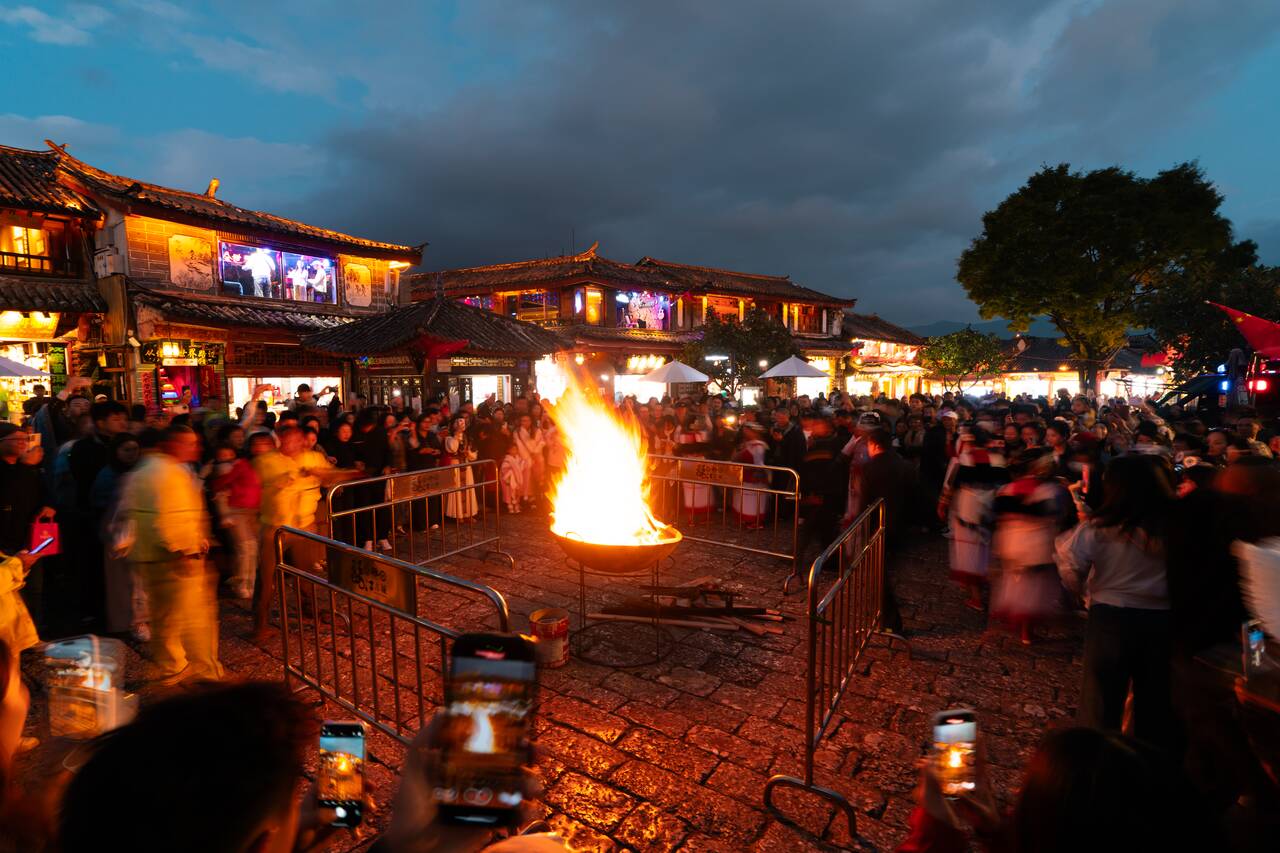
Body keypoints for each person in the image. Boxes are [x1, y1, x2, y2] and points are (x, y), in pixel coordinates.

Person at [1055, 455, 1176, 748]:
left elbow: (1070, 563)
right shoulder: (1179, 527)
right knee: (1154, 697)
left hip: (1112, 616)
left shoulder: (1100, 528)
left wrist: (1079, 593)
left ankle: (1097, 759)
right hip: (1164, 619)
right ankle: (1147, 756)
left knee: (1101, 697)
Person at [120, 424, 222, 684]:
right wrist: (185, 552)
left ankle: (172, 666)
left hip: (154, 556)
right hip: (174, 558)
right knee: (194, 619)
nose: (195, 448)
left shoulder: (147, 469)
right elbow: (167, 517)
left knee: (165, 617)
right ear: (173, 444)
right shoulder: (165, 473)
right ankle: (205, 670)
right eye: (189, 443)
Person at [252, 425, 351, 639]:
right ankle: (260, 622)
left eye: (298, 440)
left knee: (305, 572)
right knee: (267, 578)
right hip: (274, 527)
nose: (295, 445)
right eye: (289, 440)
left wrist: (323, 474)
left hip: (305, 525)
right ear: (280, 441)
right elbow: (267, 481)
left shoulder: (313, 457)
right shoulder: (267, 460)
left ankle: (309, 610)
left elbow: (333, 477)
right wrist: (293, 476)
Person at [990, 447, 1073, 645]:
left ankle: (1020, 627)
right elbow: (1055, 517)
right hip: (1037, 548)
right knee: (1035, 591)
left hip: (1012, 545)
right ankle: (1027, 631)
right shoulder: (1049, 491)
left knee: (1017, 587)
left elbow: (999, 518)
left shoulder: (1006, 490)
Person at [939, 427, 1008, 611]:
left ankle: (976, 598)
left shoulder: (966, 460)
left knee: (969, 556)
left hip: (968, 512)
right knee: (986, 553)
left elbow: (952, 485)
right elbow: (1003, 487)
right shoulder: (999, 460)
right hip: (990, 512)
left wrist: (943, 504)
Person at [857, 428, 915, 633]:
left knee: (879, 575)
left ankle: (891, 622)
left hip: (879, 526)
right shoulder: (905, 465)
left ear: (873, 444)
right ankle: (883, 613)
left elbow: (865, 501)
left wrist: (859, 525)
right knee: (883, 572)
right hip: (902, 524)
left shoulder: (870, 467)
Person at [90, 433, 142, 635]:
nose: (132, 454)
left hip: (134, 531)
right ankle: (127, 622)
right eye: (126, 450)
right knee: (121, 582)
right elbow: (101, 503)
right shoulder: (107, 474)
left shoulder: (138, 471)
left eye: (135, 450)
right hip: (115, 534)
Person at [209, 441, 261, 600]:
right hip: (236, 511)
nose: (225, 458)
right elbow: (220, 493)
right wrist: (225, 514)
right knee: (246, 548)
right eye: (222, 456)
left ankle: (249, 583)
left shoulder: (242, 466)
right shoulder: (225, 470)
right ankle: (242, 584)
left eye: (228, 454)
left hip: (250, 510)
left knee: (251, 548)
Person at [442, 415, 479, 522]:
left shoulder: (468, 437)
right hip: (455, 465)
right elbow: (452, 448)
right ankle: (457, 515)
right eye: (457, 423)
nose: (460, 425)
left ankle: (468, 513)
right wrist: (457, 434)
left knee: (467, 489)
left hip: (465, 465)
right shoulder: (449, 438)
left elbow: (474, 454)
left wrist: (469, 454)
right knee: (456, 489)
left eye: (462, 422)